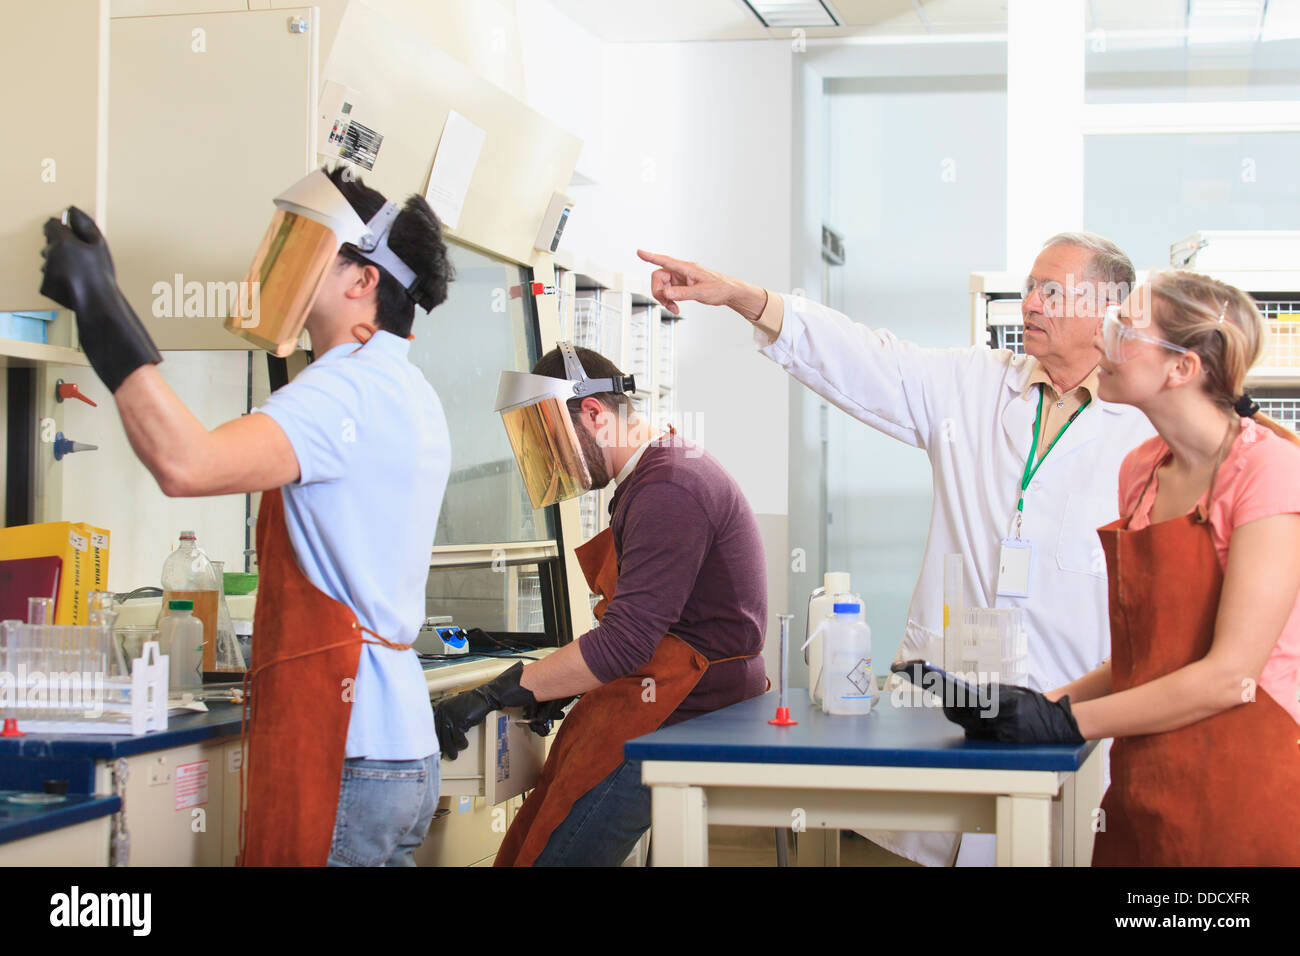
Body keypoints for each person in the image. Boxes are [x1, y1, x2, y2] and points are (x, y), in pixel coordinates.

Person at [638, 233, 1155, 866]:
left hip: (1065, 714)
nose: (1029, 305)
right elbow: (862, 356)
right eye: (1029, 288)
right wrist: (740, 296)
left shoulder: (1144, 430)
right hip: (949, 708)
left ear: (1106, 311)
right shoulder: (976, 384)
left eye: (1052, 292)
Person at [38, 167, 455, 866]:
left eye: (310, 248)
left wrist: (101, 306)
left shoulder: (344, 392)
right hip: (399, 749)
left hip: (342, 744)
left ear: (363, 280)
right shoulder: (405, 388)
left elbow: (187, 464)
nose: (280, 265)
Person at [943, 271, 1300, 865]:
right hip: (1144, 779)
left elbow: (1228, 676)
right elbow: (1145, 657)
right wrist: (1024, 706)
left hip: (1244, 782)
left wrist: (1064, 722)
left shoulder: (1269, 472)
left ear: (1182, 367)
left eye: (1122, 330)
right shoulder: (1142, 470)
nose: (1100, 341)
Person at [433, 345, 769, 866]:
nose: (549, 461)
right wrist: (558, 684)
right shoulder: (656, 473)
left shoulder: (669, 488)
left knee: (553, 854)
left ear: (593, 413)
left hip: (686, 708)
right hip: (668, 693)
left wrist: (498, 691)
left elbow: (624, 644)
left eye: (551, 440)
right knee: (539, 822)